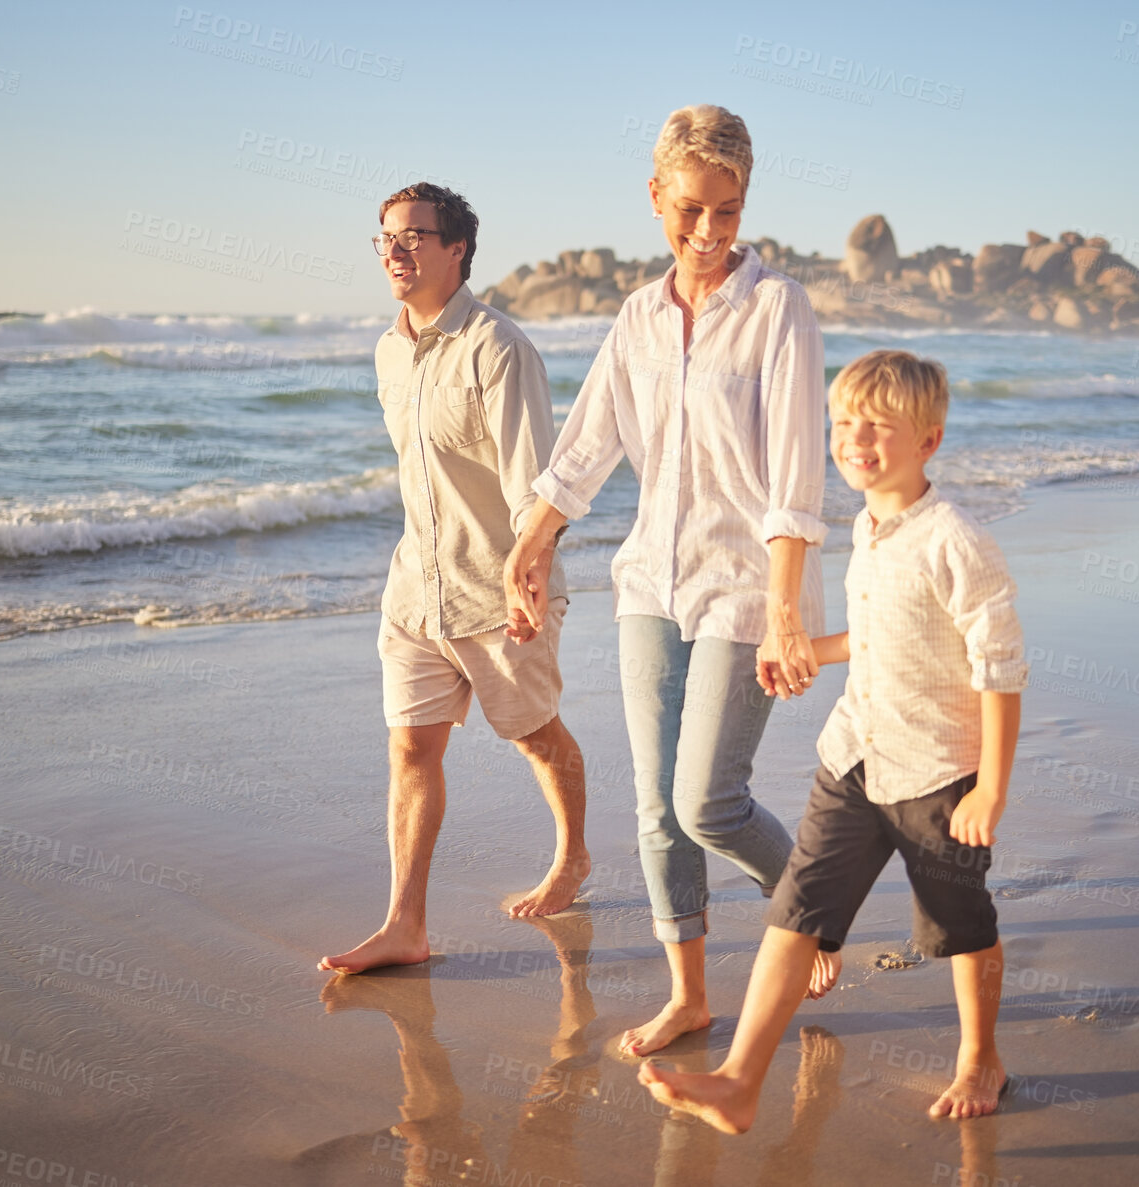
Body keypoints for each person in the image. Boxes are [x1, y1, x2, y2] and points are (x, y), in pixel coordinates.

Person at [504, 105, 831, 1057]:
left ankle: (811, 907)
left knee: (708, 801)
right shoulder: (639, 318)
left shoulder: (779, 309)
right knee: (654, 804)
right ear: (655, 199)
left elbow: (797, 481)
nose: (707, 231)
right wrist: (534, 537)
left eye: (726, 211)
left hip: (749, 590)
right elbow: (588, 444)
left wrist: (782, 615)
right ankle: (689, 995)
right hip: (652, 581)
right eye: (690, 209)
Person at [638, 349, 1029, 1128]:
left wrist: (989, 787)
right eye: (844, 422)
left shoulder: (956, 540)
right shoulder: (868, 523)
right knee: (795, 910)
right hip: (853, 754)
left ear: (931, 440)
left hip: (936, 772)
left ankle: (981, 1056)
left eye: (879, 427)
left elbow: (1000, 667)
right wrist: (814, 650)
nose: (856, 439)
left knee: (960, 928)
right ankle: (741, 1080)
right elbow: (884, 629)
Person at [318, 183, 589, 974]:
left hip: (497, 591)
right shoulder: (387, 350)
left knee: (536, 737)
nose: (394, 253)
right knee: (410, 751)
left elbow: (537, 488)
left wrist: (527, 581)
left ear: (455, 249)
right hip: (414, 591)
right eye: (385, 240)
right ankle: (405, 923)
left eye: (412, 238)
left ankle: (572, 856)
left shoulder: (500, 348)